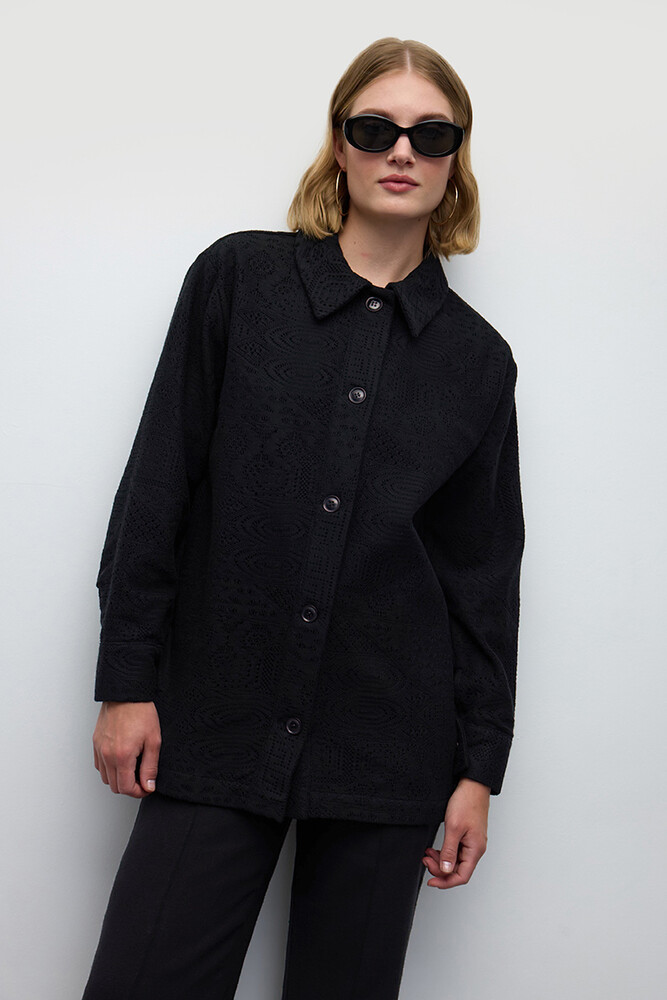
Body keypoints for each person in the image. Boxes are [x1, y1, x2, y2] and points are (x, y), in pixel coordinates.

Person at [82, 35, 525, 1000]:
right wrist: (126, 680)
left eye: (430, 133)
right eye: (375, 129)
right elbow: (156, 491)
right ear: (337, 144)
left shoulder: (477, 362)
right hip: (212, 717)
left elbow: (481, 581)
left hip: (388, 748)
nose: (400, 150)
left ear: (455, 158)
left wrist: (477, 771)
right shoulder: (238, 281)